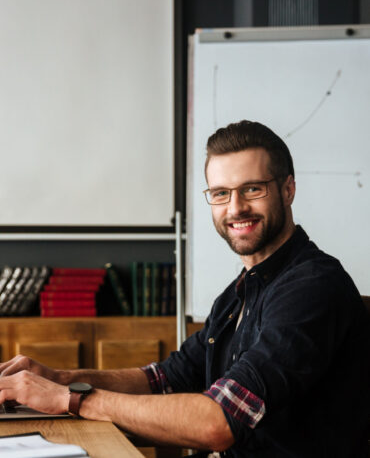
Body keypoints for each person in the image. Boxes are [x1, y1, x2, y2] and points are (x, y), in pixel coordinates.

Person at [0, 121, 369, 457]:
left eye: (252, 189)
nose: (236, 208)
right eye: (221, 193)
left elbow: (218, 422)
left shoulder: (312, 288)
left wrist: (70, 400)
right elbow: (164, 381)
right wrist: (56, 379)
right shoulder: (237, 293)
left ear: (287, 189)